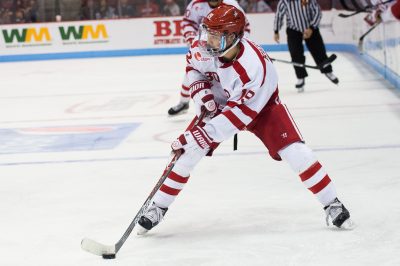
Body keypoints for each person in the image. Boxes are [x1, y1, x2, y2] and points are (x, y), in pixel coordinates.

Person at [137, 5, 353, 235]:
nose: (207, 40)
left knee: (298, 153)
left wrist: (201, 135)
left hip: (262, 108)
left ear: (233, 37)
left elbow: (239, 116)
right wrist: (202, 92)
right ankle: (157, 207)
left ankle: (333, 203)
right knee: (185, 154)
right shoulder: (203, 46)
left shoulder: (253, 67)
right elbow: (192, 67)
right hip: (222, 101)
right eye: (207, 32)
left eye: (215, 35)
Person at [167, 0, 250, 116]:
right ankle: (184, 102)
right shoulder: (196, 4)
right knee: (193, 73)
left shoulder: (232, 5)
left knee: (224, 76)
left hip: (225, 49)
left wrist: (239, 48)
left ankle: (228, 103)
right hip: (204, 47)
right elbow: (188, 22)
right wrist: (192, 40)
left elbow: (244, 27)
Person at [273, 0, 339, 92]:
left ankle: (327, 71)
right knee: (295, 54)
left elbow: (317, 12)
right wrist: (276, 31)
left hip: (311, 28)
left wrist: (311, 28)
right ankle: (301, 77)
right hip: (293, 30)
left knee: (319, 51)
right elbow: (279, 15)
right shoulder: (284, 2)